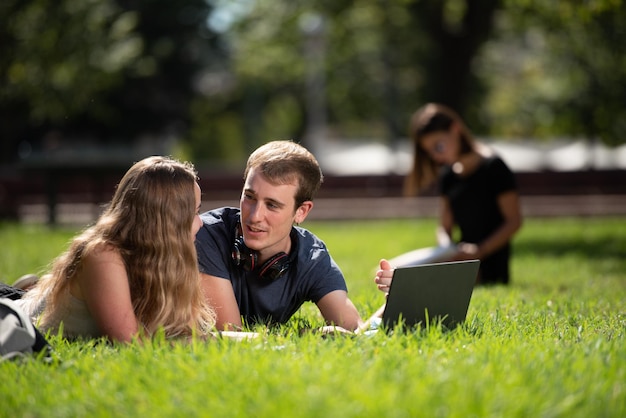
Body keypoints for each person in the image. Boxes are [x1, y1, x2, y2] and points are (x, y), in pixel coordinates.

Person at [9, 156, 224, 343]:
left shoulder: (158, 258)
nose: (201, 223)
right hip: (12, 319)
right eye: (194, 213)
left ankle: (31, 290)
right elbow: (131, 344)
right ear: (169, 221)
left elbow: (182, 333)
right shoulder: (103, 256)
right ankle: (27, 294)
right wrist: (206, 342)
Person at [195, 140, 365, 332]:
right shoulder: (204, 235)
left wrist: (389, 305)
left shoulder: (311, 257)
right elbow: (230, 333)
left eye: (272, 205)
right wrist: (305, 337)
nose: (255, 216)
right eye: (249, 197)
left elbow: (353, 328)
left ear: (301, 211)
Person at [381, 103, 522, 287]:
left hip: (489, 265)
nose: (436, 156)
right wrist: (446, 248)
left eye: (438, 146)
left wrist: (480, 250)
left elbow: (514, 221)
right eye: (429, 152)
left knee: (424, 284)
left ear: (455, 129)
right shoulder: (448, 174)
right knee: (400, 273)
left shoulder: (494, 167)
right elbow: (444, 227)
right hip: (459, 258)